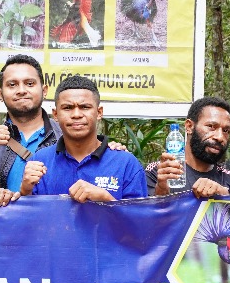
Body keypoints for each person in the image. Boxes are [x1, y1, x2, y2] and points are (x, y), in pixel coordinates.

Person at [17, 76, 146, 202]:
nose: (76, 115)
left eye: (85, 107)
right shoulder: (40, 161)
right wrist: (24, 192)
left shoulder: (126, 164)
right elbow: (29, 219)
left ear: (99, 112)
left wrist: (106, 199)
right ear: (55, 114)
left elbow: (139, 221)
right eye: (68, 108)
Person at [0, 54, 59, 192]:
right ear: (0, 94)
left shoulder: (63, 136)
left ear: (44, 90)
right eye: (12, 85)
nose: (21, 91)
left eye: (29, 84)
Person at [147, 97, 230, 199]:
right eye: (211, 126)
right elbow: (145, 212)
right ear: (189, 127)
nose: (220, 137)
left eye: (226, 130)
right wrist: (161, 190)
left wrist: (225, 197)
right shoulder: (160, 172)